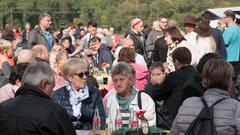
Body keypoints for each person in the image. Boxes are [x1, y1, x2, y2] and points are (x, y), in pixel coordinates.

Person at [0, 62, 76, 135]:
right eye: (52, 87)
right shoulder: (54, 112)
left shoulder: (3, 107)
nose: (53, 92)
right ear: (44, 84)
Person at [171, 59, 240, 135]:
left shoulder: (187, 104)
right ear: (229, 81)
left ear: (204, 78)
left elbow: (174, 132)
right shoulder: (236, 107)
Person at [152, 47, 198, 129]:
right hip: (194, 116)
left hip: (174, 118)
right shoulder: (197, 75)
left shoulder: (175, 76)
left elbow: (158, 95)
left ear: (176, 62)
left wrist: (156, 84)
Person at [52, 58, 105, 129]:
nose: (85, 77)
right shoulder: (57, 95)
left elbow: (101, 121)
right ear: (69, 77)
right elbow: (55, 124)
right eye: (81, 75)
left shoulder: (94, 93)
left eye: (86, 73)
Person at [105, 62, 156, 130]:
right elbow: (108, 126)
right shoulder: (110, 100)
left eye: (121, 79)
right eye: (115, 80)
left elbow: (151, 127)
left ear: (130, 80)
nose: (118, 83)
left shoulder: (145, 99)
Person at [222, 10, 240, 75]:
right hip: (237, 59)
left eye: (224, 17)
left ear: (229, 18)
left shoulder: (229, 30)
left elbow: (222, 44)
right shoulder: (238, 28)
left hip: (229, 59)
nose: (223, 19)